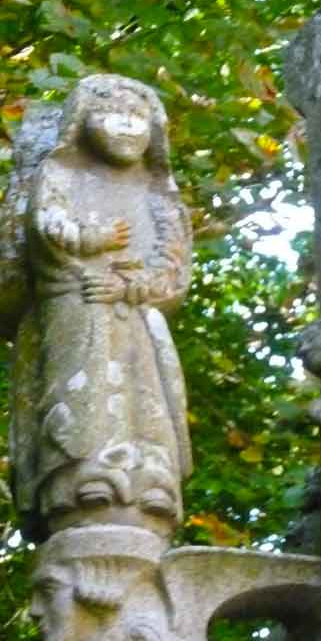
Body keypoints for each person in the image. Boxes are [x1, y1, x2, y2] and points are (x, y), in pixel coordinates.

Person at [11, 75, 193, 542]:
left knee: (147, 393)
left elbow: (173, 267)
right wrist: (91, 240)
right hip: (76, 302)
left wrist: (131, 286)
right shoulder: (61, 175)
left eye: (137, 117)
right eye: (112, 114)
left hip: (136, 313)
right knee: (81, 389)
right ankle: (79, 480)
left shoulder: (159, 195)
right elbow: (48, 226)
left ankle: (150, 482)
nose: (126, 126)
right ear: (82, 122)